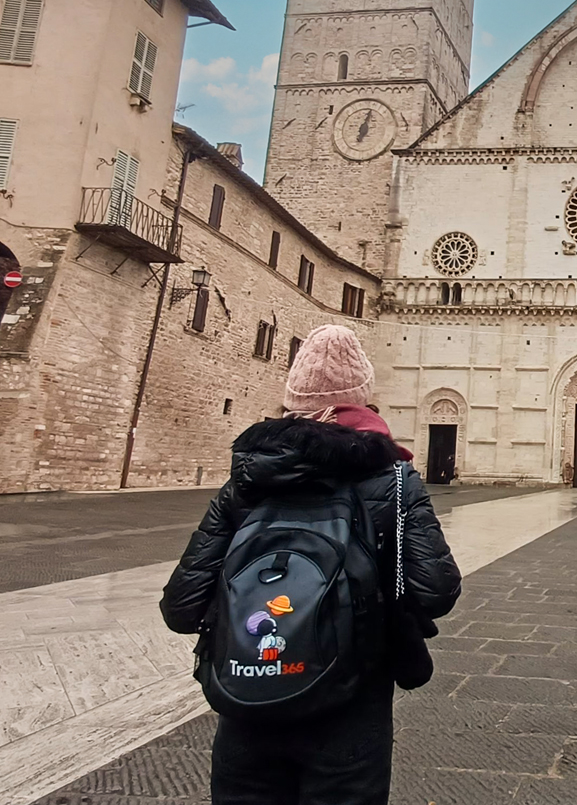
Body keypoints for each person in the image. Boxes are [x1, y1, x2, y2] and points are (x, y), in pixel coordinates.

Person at [160, 324, 461, 805]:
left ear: (292, 402)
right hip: (350, 704)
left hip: (249, 696)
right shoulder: (392, 478)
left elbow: (181, 607)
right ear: (361, 399)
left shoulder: (247, 479)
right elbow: (437, 590)